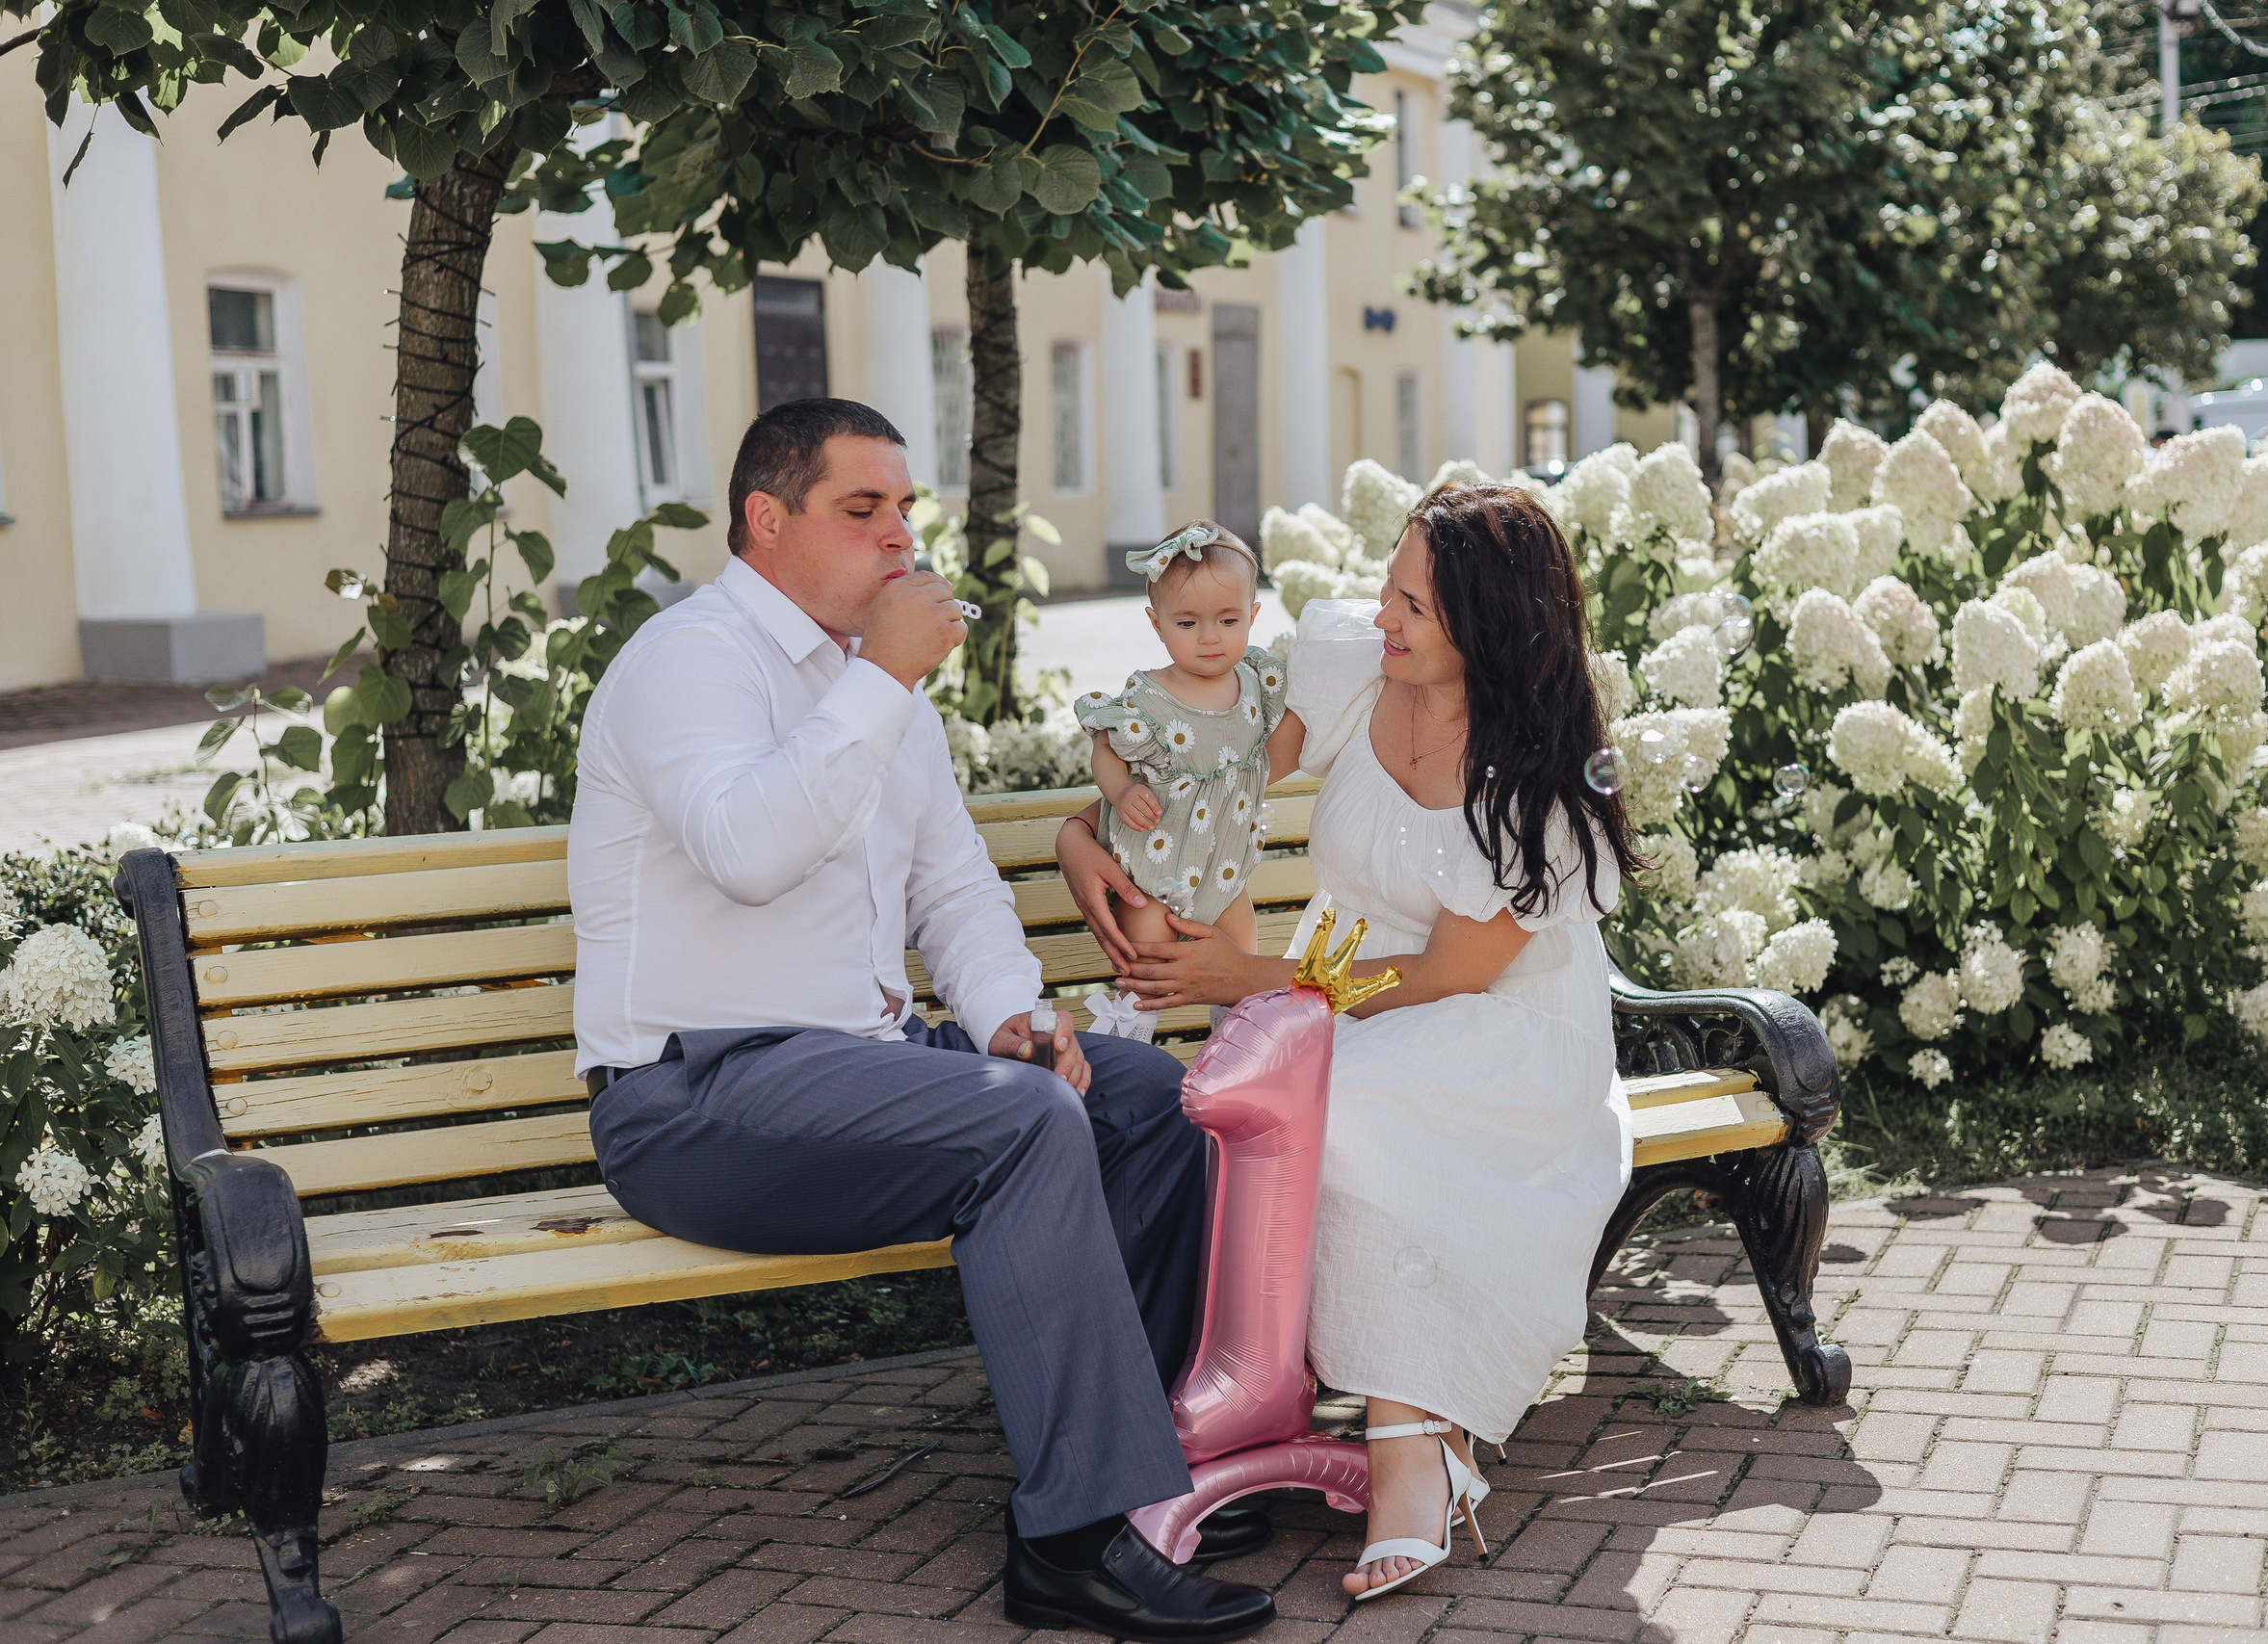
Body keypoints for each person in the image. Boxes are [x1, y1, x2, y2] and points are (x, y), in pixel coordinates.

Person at [570, 398, 1277, 1643]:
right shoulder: (690, 661)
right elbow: (742, 848)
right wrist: (886, 676)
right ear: (767, 518)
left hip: (861, 1062)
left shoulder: (883, 698)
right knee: (1024, 1126)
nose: (899, 536)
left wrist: (1014, 1017)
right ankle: (1073, 1542)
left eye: (907, 509)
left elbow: (952, 889)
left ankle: (1156, 1474)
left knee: (1150, 1100)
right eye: (863, 510)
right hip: (693, 1096)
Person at [1056, 483, 1642, 1602]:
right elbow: (1206, 790)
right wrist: (1083, 837)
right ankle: (1336, 1418)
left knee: (1344, 1115)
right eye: (1387, 586)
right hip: (1339, 995)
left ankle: (1406, 1445)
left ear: (1491, 623)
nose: (1384, 616)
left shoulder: (1538, 783)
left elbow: (1446, 977)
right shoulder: (1346, 668)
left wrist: (1248, 979)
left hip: (1495, 1029)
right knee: (1310, 1104)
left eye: (1415, 605)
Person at [1073, 522, 1289, 1040]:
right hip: (1155, 874)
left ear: (1254, 616)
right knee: (1148, 972)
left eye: (1228, 619)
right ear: (1157, 623)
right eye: (1188, 622)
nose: (1210, 636)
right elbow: (1106, 749)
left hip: (1225, 872)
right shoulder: (1149, 698)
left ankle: (1237, 1053)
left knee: (1244, 972)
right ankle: (1129, 1046)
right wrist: (1121, 791)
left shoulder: (1258, 683)